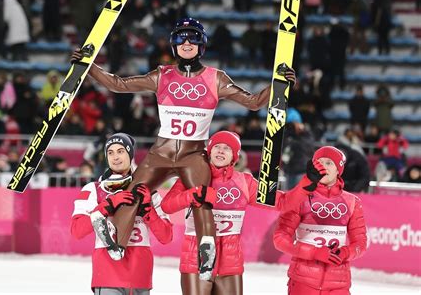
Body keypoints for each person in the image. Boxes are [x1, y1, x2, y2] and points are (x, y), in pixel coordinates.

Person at [71, 17, 297, 280]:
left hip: (193, 154)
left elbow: (254, 103)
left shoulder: (216, 78)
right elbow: (118, 85)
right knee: (134, 193)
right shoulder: (162, 75)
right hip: (161, 153)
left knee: (202, 196)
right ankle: (116, 243)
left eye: (192, 37)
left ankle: (207, 249)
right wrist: (89, 67)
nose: (186, 42)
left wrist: (279, 85)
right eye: (181, 37)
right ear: (173, 44)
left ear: (201, 44)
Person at [161, 131, 308, 294]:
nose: (221, 151)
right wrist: (193, 194)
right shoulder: (192, 177)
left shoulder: (244, 182)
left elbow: (283, 202)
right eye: (217, 146)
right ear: (209, 152)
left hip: (230, 261)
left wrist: (308, 182)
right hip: (196, 257)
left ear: (234, 156)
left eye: (227, 148)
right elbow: (167, 205)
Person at [71, 133, 173, 294]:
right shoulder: (93, 189)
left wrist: (148, 210)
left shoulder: (148, 192)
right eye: (110, 152)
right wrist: (107, 205)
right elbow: (77, 230)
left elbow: (166, 237)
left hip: (140, 278)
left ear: (130, 154)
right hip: (108, 277)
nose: (115, 157)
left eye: (120, 151)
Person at [274, 146, 368, 295]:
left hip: (338, 284)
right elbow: (280, 239)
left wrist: (345, 252)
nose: (323, 166)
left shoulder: (352, 202)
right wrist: (313, 253)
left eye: (329, 163)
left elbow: (360, 244)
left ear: (339, 170)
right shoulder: (299, 197)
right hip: (303, 282)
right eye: (319, 162)